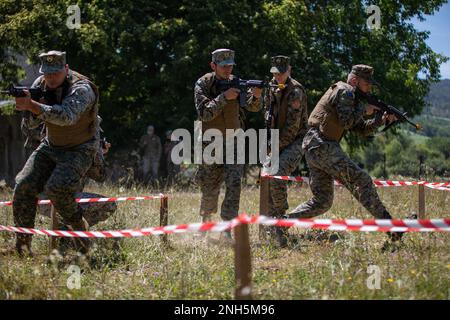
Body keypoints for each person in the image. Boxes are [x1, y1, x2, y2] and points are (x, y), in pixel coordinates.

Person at [284, 64, 404, 251]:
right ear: (355, 80)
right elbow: (347, 121)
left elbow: (360, 129)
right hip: (322, 144)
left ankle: (280, 225)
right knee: (361, 179)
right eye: (367, 84)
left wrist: (380, 119)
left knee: (322, 201)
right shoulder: (345, 91)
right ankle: (391, 228)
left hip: (315, 146)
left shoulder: (351, 96)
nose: (369, 88)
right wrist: (365, 109)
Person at [2, 50, 100, 256]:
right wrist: (28, 108)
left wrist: (34, 105)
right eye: (47, 74)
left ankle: (78, 225)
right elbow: (30, 125)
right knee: (23, 185)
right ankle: (22, 247)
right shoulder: (39, 85)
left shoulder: (82, 88)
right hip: (52, 145)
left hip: (80, 148)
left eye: (55, 74)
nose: (51, 79)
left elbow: (67, 117)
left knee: (57, 188)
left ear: (66, 69)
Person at [194, 48, 262, 234]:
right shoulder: (204, 83)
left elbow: (252, 107)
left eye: (230, 66)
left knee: (234, 184)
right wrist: (224, 97)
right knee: (210, 184)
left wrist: (256, 96)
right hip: (210, 141)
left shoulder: (237, 82)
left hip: (234, 141)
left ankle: (227, 227)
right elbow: (204, 113)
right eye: (223, 66)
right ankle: (206, 223)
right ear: (213, 65)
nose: (227, 70)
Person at [262, 56, 308, 247]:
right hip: (275, 141)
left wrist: (275, 147)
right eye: (275, 73)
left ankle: (280, 221)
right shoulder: (270, 88)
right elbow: (267, 116)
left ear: (289, 70)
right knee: (266, 175)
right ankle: (268, 225)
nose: (278, 76)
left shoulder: (295, 91)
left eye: (282, 72)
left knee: (278, 173)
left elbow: (292, 128)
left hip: (296, 141)